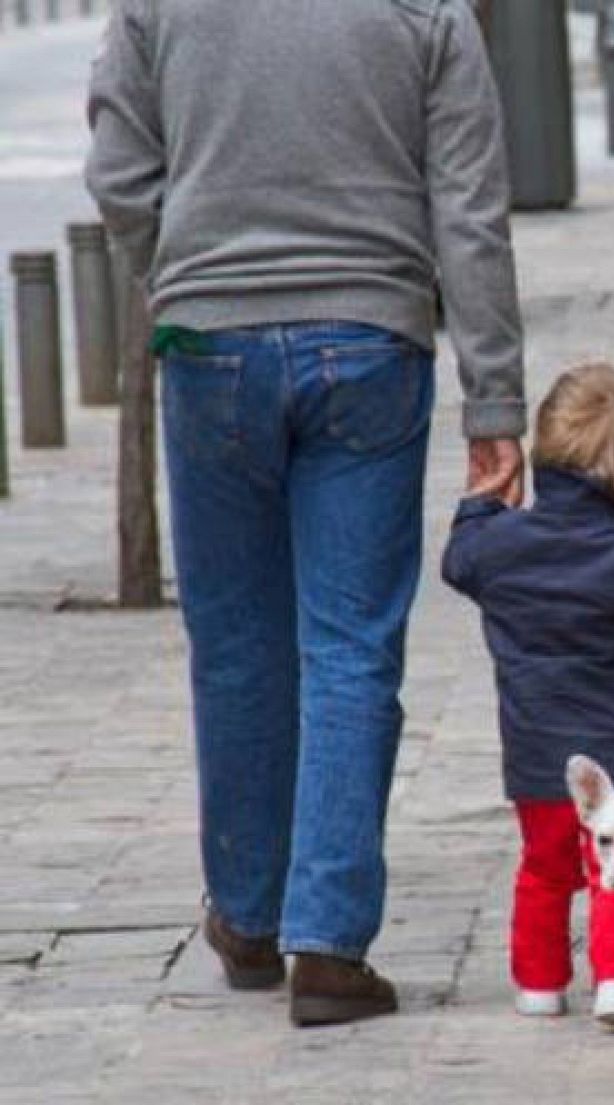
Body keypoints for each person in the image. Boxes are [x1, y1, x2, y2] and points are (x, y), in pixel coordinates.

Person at [85, 0, 527, 1026]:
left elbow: (117, 175)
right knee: (352, 645)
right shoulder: (428, 12)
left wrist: (181, 269)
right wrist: (495, 398)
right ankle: (327, 944)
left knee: (235, 641)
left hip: (210, 347)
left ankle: (247, 915)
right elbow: (468, 208)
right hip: (370, 341)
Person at [442, 363, 614, 1030]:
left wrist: (481, 501)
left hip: (535, 755)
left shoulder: (500, 544)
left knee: (543, 867)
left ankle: (538, 984)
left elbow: (459, 560)